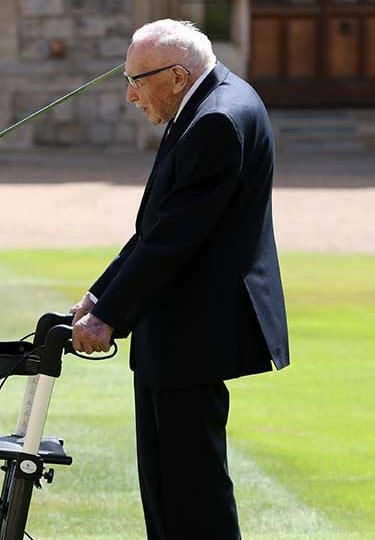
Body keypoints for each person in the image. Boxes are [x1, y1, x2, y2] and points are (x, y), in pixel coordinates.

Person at [69, 20, 290, 539]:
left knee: (191, 497)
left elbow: (174, 239)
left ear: (175, 75)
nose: (129, 95)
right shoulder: (208, 99)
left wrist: (108, 317)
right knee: (170, 492)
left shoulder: (217, 120)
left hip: (193, 332)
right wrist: (100, 294)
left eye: (137, 80)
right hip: (179, 330)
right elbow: (157, 227)